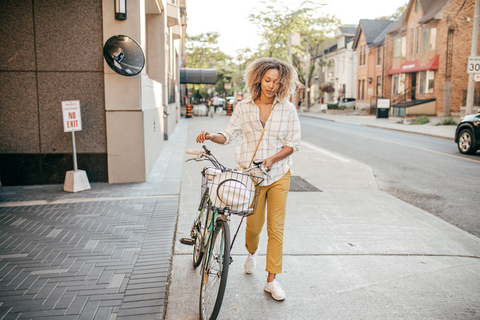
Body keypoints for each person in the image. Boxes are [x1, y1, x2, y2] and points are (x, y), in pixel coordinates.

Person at [196, 57, 301, 301]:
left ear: (282, 83)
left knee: (276, 229)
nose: (271, 85)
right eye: (267, 80)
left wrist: (273, 159)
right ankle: (251, 252)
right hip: (250, 176)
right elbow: (228, 134)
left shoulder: (287, 109)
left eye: (276, 81)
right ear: (258, 79)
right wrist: (212, 135)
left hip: (278, 174)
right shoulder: (243, 107)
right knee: (253, 227)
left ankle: (272, 280)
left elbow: (293, 144)